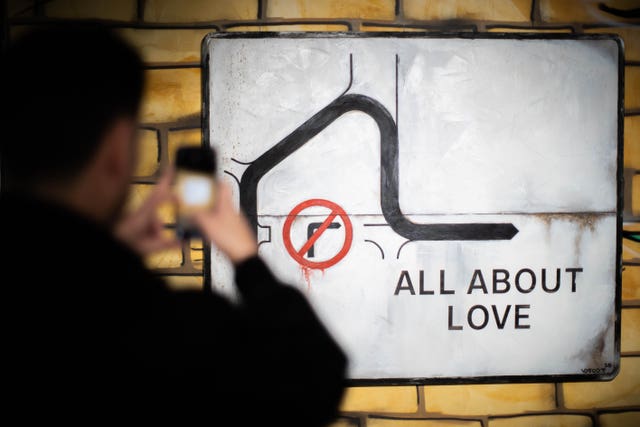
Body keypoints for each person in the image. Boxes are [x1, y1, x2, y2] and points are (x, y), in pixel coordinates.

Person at [0, 25, 347, 424]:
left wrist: (109, 253)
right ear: (116, 151)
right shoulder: (166, 332)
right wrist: (247, 260)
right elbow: (313, 381)